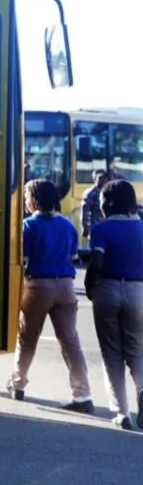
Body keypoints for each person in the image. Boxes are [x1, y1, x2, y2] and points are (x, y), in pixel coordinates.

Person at [8, 178, 93, 412]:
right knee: (70, 342)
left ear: (35, 200)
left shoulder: (28, 226)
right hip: (66, 286)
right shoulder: (67, 225)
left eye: (26, 197)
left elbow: (23, 259)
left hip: (38, 286)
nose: (25, 201)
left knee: (27, 339)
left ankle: (18, 384)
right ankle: (83, 394)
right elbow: (72, 257)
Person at [84, 179, 143, 430]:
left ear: (106, 204)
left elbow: (97, 262)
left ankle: (122, 413)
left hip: (107, 290)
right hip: (138, 291)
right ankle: (142, 388)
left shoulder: (101, 229)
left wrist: (90, 285)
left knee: (111, 353)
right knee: (137, 350)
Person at [82, 169, 108, 241]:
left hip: (108, 228)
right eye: (100, 177)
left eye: (104, 177)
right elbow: (85, 212)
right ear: (95, 179)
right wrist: (85, 228)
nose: (103, 179)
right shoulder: (90, 193)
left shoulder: (109, 191)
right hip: (95, 227)